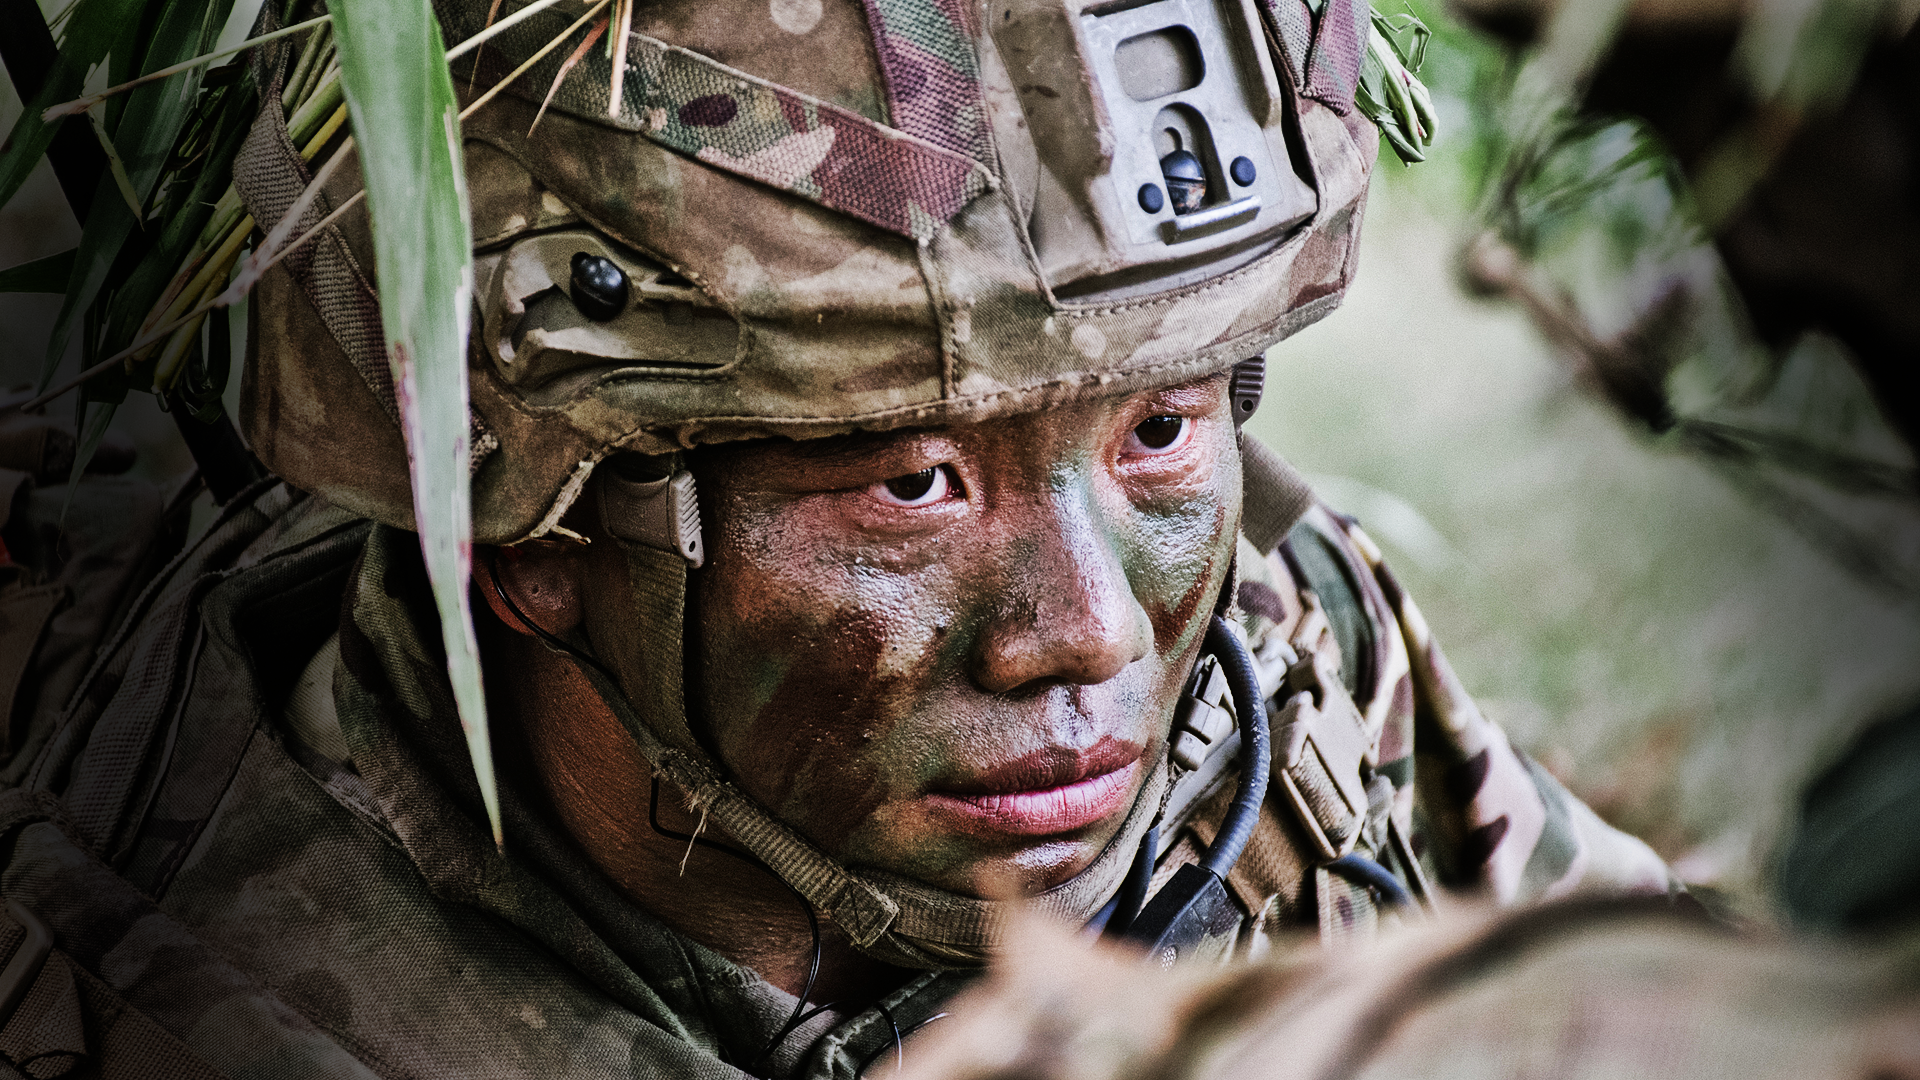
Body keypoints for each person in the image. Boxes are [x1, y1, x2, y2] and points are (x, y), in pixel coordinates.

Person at [0, 0, 1673, 1076]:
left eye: (1156, 431)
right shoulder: (201, 1009)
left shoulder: (1278, 653)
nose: (1087, 634)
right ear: (530, 539)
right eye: (915, 485)